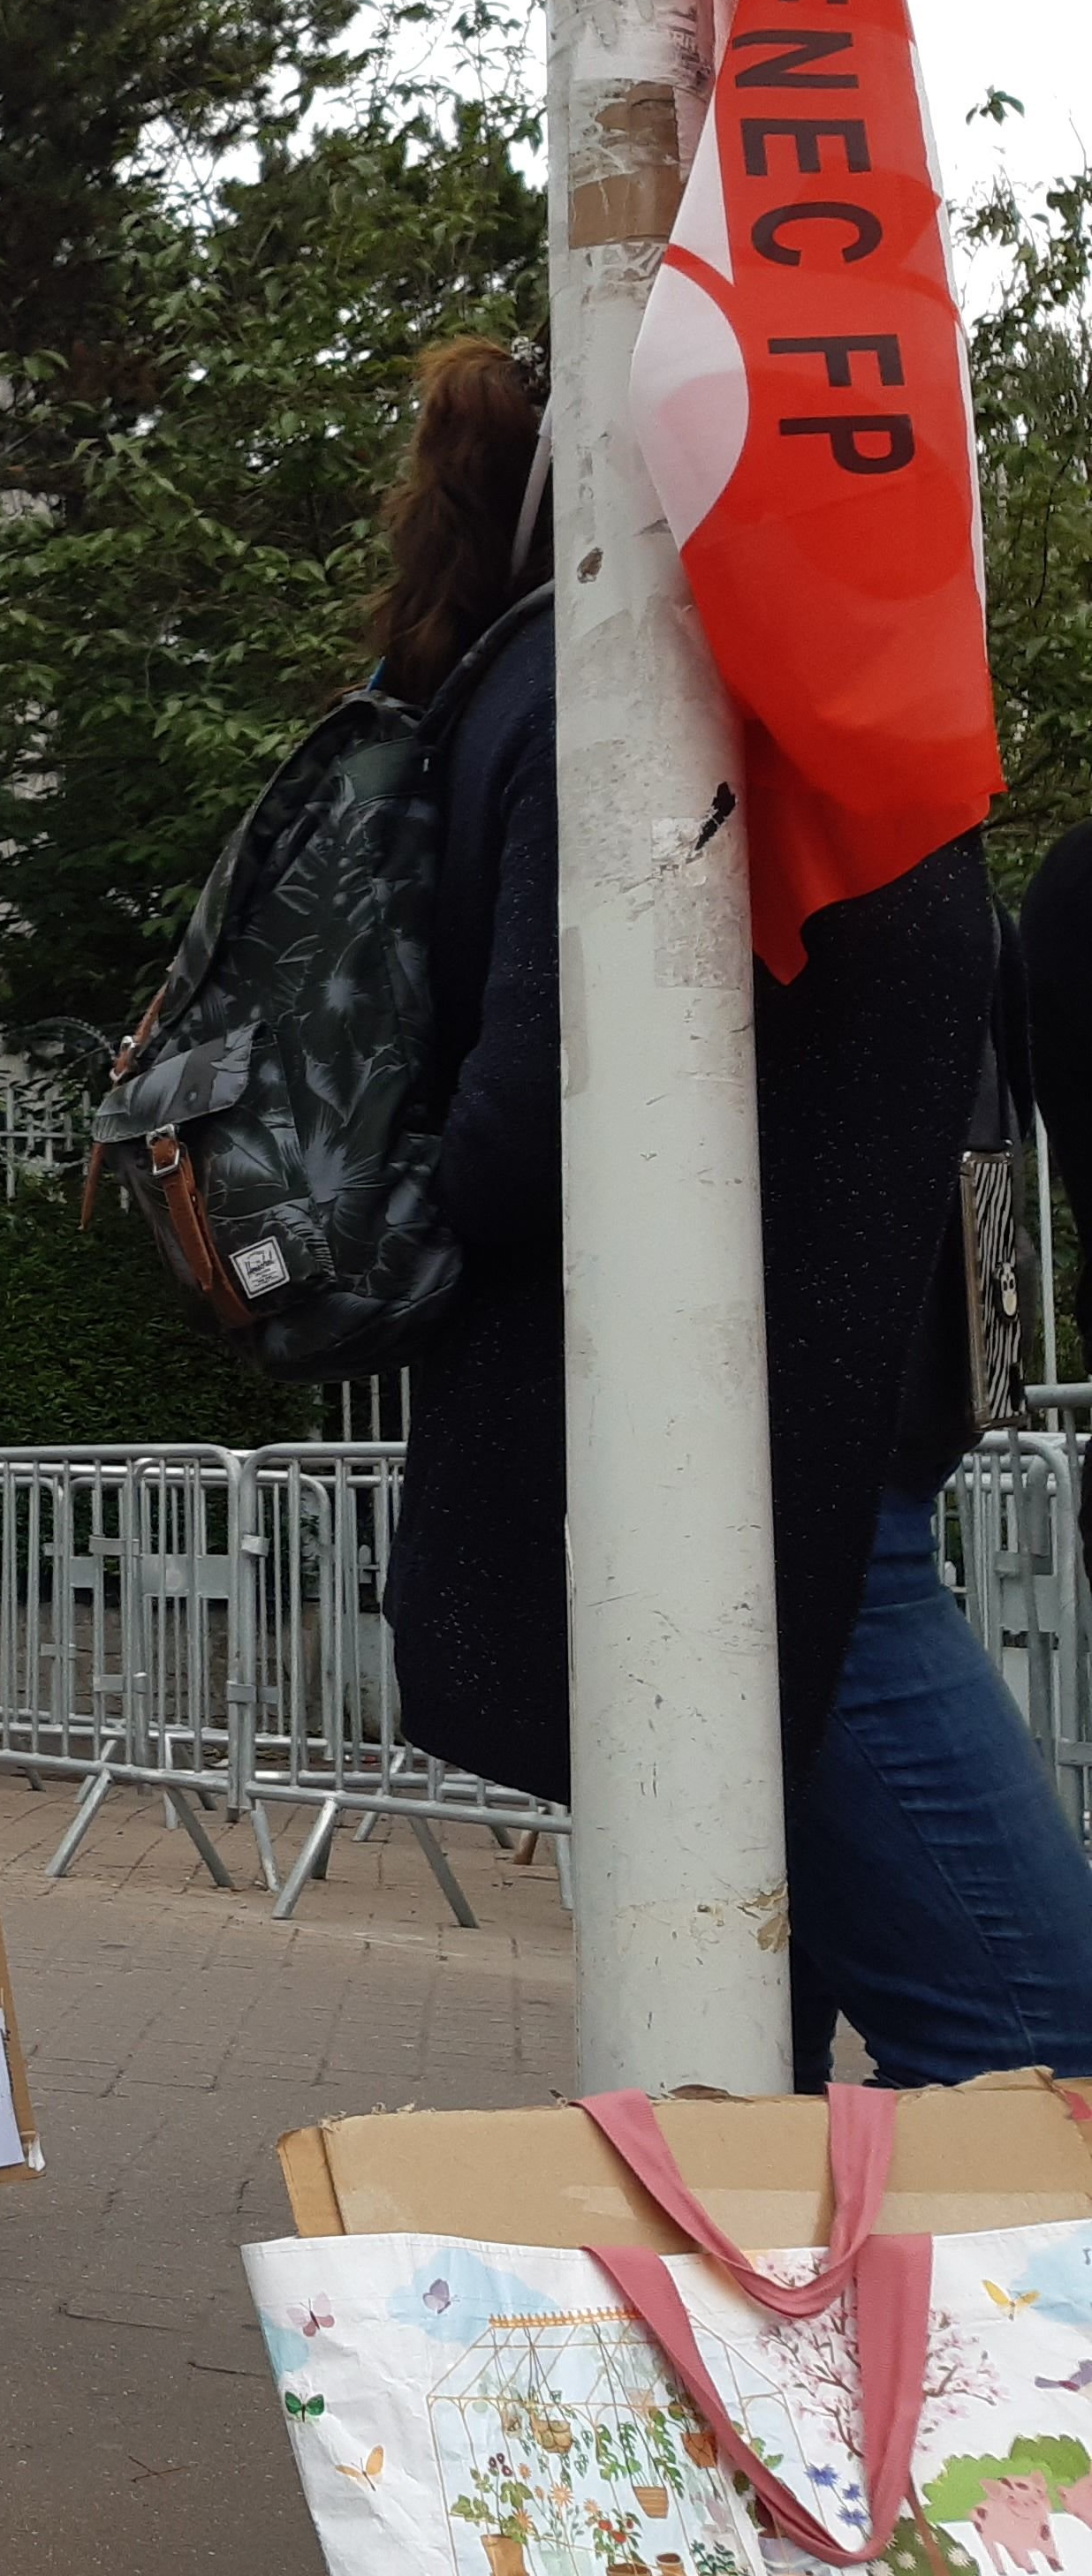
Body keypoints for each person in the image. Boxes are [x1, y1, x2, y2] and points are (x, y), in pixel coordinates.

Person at [375, 335, 1092, 2087]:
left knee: (749, 2075)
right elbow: (541, 1093)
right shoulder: (630, 687)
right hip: (767, 1509)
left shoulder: (629, 687)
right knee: (1038, 2042)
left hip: (788, 1481)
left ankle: (800, 2362)